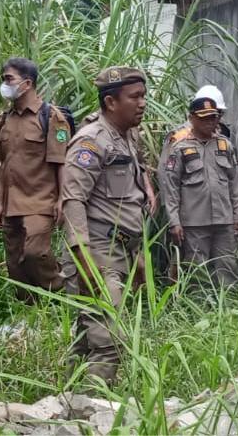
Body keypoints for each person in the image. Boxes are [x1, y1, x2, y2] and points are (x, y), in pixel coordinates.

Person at [59, 66, 150, 384]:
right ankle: (96, 415)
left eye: (144, 96)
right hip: (96, 254)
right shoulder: (91, 141)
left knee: (88, 339)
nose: (142, 103)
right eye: (134, 97)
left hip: (120, 252)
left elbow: (126, 201)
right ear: (111, 102)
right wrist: (84, 261)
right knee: (110, 343)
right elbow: (72, 201)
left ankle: (69, 409)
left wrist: (136, 257)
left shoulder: (126, 138)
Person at [0, 57, 72, 300]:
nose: (4, 84)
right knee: (15, 262)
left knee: (36, 253)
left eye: (9, 79)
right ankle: (30, 308)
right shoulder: (7, 119)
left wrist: (62, 199)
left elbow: (61, 162)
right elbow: (4, 164)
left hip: (40, 199)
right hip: (11, 202)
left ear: (27, 83)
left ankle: (59, 293)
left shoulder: (51, 117)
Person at [158, 96, 238, 286]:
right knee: (197, 270)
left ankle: (229, 310)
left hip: (224, 221)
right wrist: (174, 221)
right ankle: (199, 309)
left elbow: (236, 183)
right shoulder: (180, 148)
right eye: (204, 117)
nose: (210, 122)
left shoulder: (225, 146)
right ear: (191, 118)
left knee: (228, 267)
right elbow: (170, 187)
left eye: (213, 117)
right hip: (194, 223)